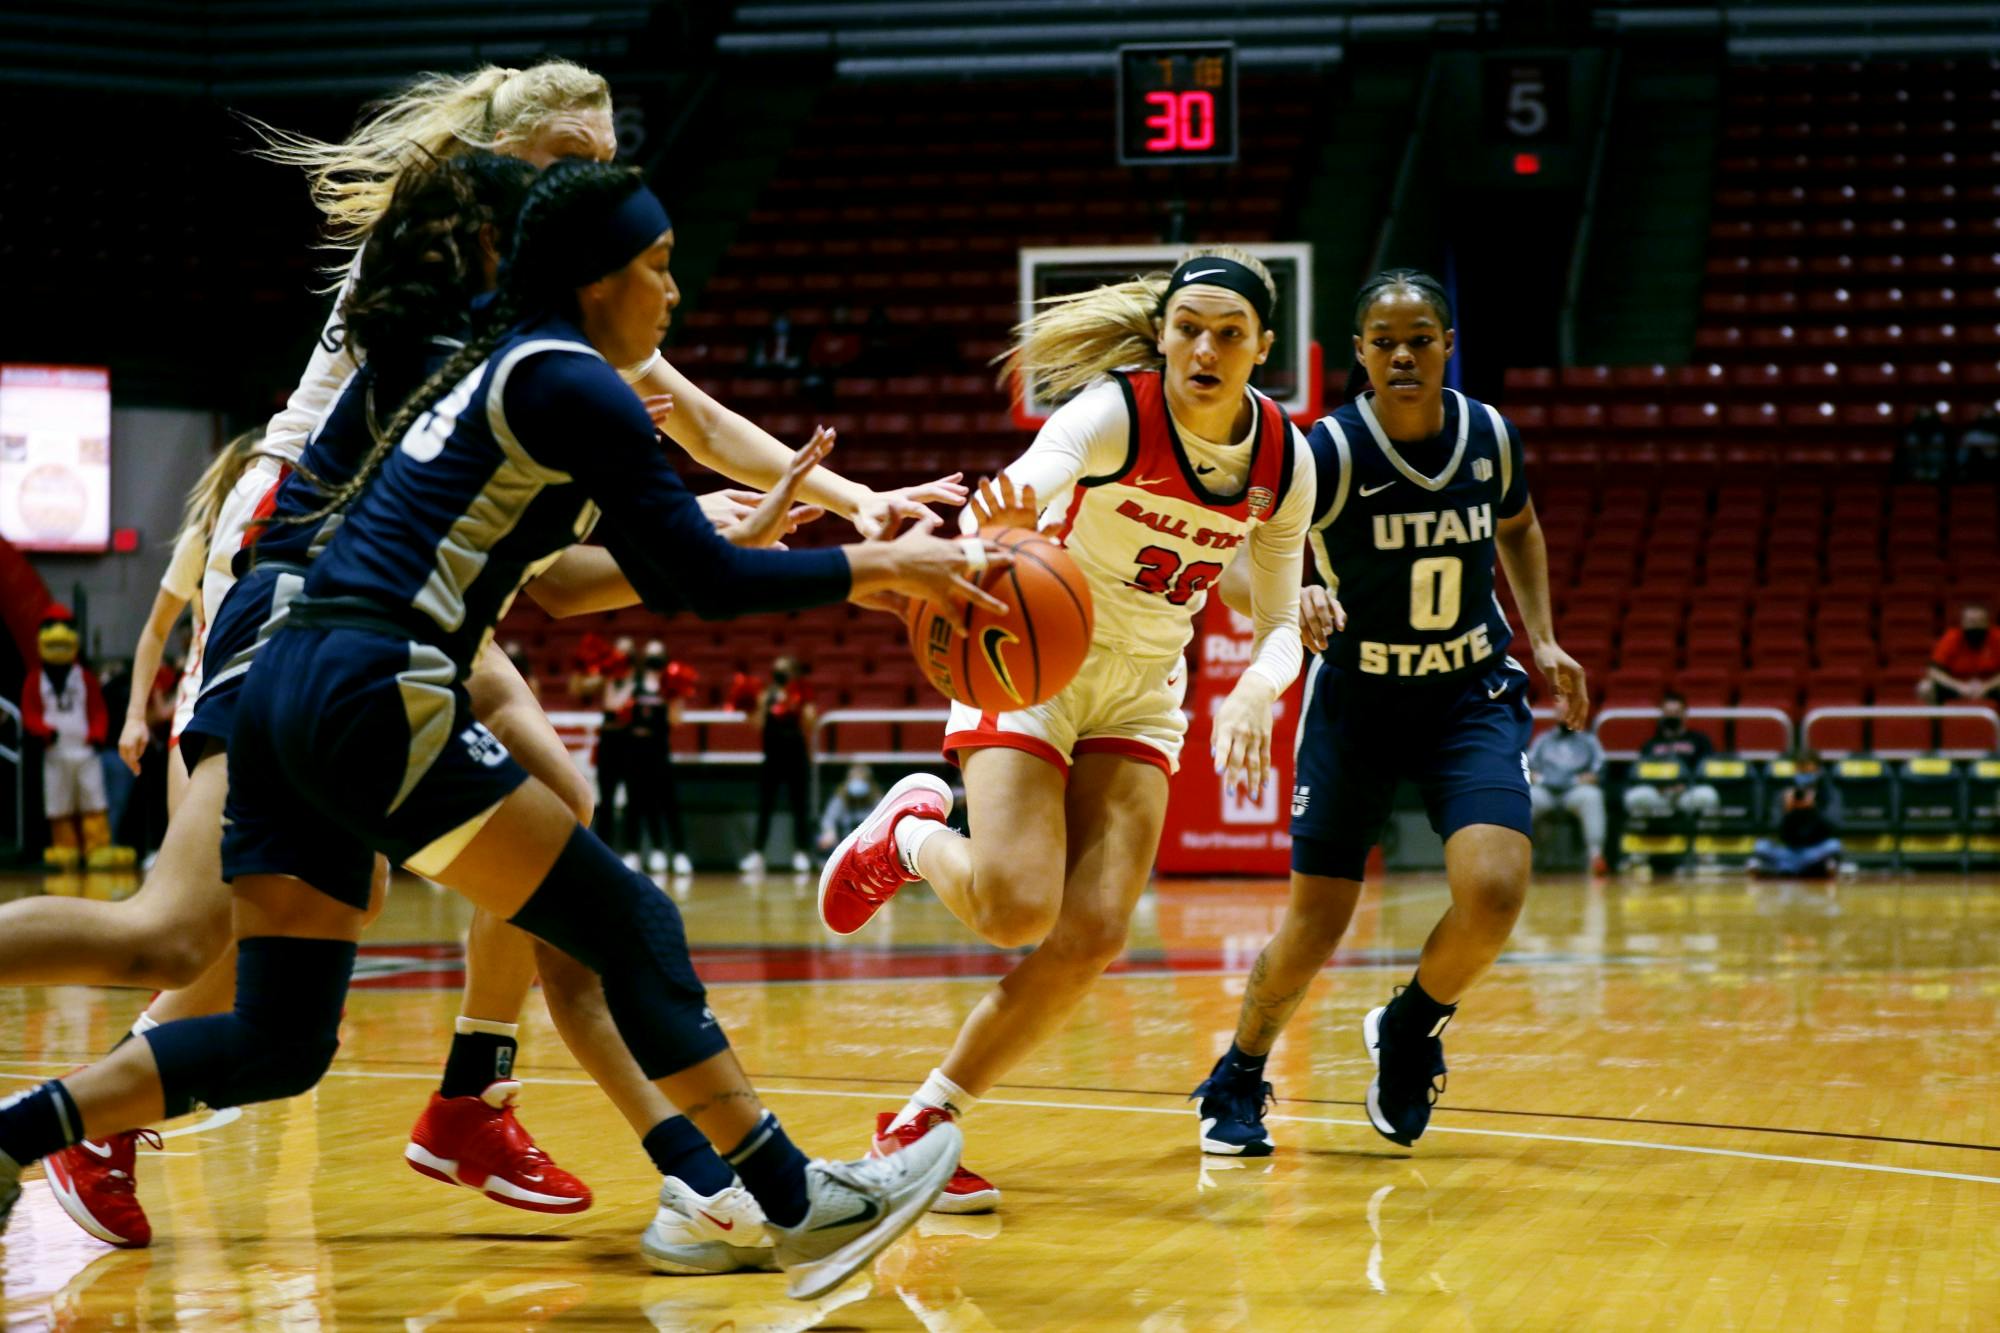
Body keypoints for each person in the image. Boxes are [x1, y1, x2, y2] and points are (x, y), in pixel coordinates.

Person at [0, 161, 1006, 1302]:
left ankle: (19, 1130)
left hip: (281, 688)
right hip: (376, 681)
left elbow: (576, 586)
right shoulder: (568, 381)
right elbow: (700, 582)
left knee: (279, 1041)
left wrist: (771, 539)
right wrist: (878, 565)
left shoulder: (498, 368)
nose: (675, 294)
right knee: (625, 919)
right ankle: (792, 1198)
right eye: (659, 267)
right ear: (595, 277)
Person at [818, 246, 1315, 1209]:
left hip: (1141, 691)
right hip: (1038, 657)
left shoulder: (1285, 460)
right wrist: (1011, 509)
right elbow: (1034, 479)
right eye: (1188, 329)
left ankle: (923, 1117)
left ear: (1263, 347)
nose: (1203, 349)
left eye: (1227, 334)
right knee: (1014, 909)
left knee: (1089, 933)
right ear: (1163, 334)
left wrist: (1260, 684)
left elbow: (1283, 618)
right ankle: (910, 834)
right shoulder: (1116, 411)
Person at [1186, 267, 1588, 1157]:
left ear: (1449, 345)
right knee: (1316, 924)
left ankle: (1411, 1025)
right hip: (1359, 699)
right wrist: (1297, 596)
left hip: (1467, 691)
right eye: (1384, 341)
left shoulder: (1490, 435)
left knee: (1493, 891)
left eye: (1420, 338)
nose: (1403, 353)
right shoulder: (1322, 451)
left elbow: (1517, 524)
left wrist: (1544, 636)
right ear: (1361, 353)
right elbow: (1237, 563)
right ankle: (1240, 1070)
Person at [121, 432, 262, 815]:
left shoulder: (301, 537)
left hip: (272, 703)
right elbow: (156, 629)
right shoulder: (202, 541)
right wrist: (135, 717)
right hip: (202, 702)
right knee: (189, 858)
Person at [23, 608, 117, 868]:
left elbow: (98, 710)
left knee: (93, 798)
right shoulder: (34, 679)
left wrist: (97, 734)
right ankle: (65, 848)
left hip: (86, 751)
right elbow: (29, 713)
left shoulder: (84, 677)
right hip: (55, 751)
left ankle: (97, 847)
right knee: (59, 802)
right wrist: (43, 731)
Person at [742, 655, 817, 876]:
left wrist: (802, 705)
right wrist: (749, 708)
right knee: (765, 806)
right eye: (777, 670)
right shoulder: (767, 696)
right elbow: (757, 724)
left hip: (796, 756)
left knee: (799, 807)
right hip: (772, 757)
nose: (780, 674)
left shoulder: (801, 695)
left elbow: (810, 722)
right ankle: (757, 853)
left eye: (785, 670)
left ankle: (801, 852)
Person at [626, 639, 695, 876]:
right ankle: (635, 851)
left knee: (667, 802)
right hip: (635, 749)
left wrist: (674, 695)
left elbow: (676, 720)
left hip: (659, 748)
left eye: (658, 655)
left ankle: (678, 853)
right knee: (636, 802)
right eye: (650, 654)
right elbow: (616, 707)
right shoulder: (633, 682)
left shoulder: (670, 684)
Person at [1621, 688, 1720, 825]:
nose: (1672, 717)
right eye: (1668, 713)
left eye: (1676, 713)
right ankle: (1640, 843)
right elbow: (1640, 774)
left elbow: (1708, 771)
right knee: (1634, 797)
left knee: (1708, 795)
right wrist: (1658, 787)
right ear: (1662, 715)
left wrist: (1686, 785)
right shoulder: (1651, 744)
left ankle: (1707, 842)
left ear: (1685, 715)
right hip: (1658, 795)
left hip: (1687, 793)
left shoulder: (1700, 741)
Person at [1527, 723, 1607, 875]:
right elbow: (1528, 766)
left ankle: (1596, 856)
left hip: (1575, 790)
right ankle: (1520, 856)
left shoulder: (1589, 740)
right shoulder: (1543, 739)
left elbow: (1599, 770)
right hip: (1546, 790)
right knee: (1527, 797)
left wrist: (1584, 779)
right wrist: (1537, 778)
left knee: (1592, 796)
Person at [1750, 750, 1841, 878]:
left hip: (1815, 850)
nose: (1804, 775)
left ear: (1818, 772)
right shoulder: (1785, 794)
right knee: (1761, 846)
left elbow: (1834, 825)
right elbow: (1774, 828)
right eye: (1801, 771)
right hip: (1789, 850)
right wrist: (1787, 812)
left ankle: (1785, 869)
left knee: (1833, 845)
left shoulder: (1829, 794)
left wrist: (1814, 809)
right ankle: (1810, 869)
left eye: (1808, 772)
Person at [1917, 602, 2000, 705]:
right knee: (1925, 687)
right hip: (1957, 686)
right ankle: (1936, 721)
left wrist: (1986, 687)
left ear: (1987, 623)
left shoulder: (1997, 637)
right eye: (1971, 622)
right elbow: (1933, 671)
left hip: (1990, 686)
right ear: (1962, 623)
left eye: (1979, 622)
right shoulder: (1951, 637)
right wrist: (1960, 687)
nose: (1975, 626)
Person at [817, 763, 881, 853]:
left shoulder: (877, 799)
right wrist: (829, 832)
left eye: (861, 780)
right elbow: (828, 819)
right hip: (843, 845)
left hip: (869, 845)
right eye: (855, 779)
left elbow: (883, 821)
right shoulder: (841, 798)